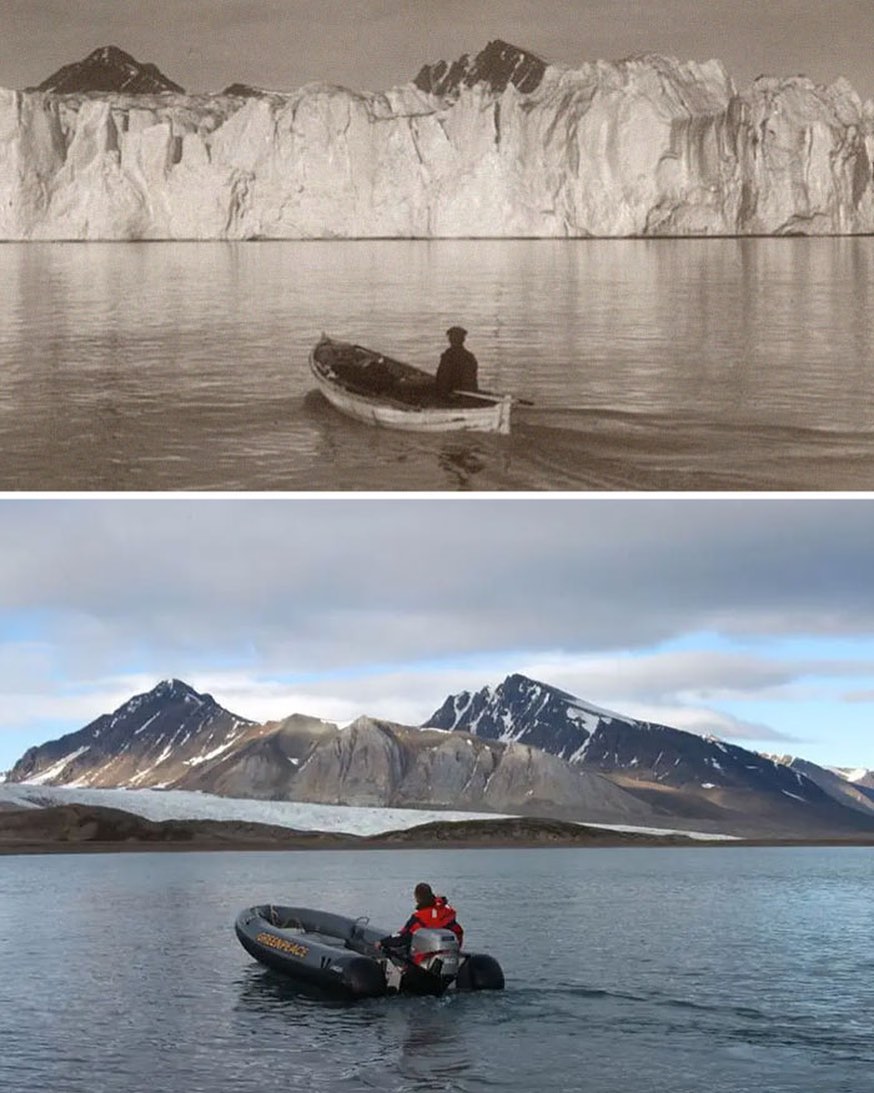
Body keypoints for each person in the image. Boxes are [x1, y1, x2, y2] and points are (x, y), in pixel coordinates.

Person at [380, 883, 464, 961]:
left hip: (424, 963)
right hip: (448, 957)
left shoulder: (418, 917)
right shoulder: (447, 912)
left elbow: (403, 936)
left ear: (417, 899)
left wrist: (383, 942)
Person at [435, 326, 478, 399]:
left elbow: (442, 378)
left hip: (451, 396)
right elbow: (472, 381)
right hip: (467, 394)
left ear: (450, 340)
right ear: (463, 340)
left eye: (451, 338)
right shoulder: (470, 357)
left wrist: (445, 394)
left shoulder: (447, 356)